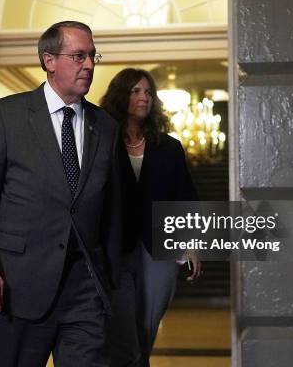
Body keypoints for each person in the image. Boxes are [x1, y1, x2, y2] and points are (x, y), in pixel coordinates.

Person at [0, 21, 121, 367]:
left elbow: (112, 209)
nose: (90, 65)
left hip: (84, 292)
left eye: (93, 56)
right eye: (79, 56)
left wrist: (111, 280)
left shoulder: (105, 126)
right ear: (49, 60)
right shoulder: (7, 115)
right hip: (16, 287)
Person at [100, 68, 201, 366]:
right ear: (121, 96)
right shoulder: (101, 140)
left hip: (159, 249)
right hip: (113, 249)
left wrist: (193, 243)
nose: (144, 97)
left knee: (146, 327)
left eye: (148, 92)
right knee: (122, 329)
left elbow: (185, 197)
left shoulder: (169, 147)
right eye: (135, 91)